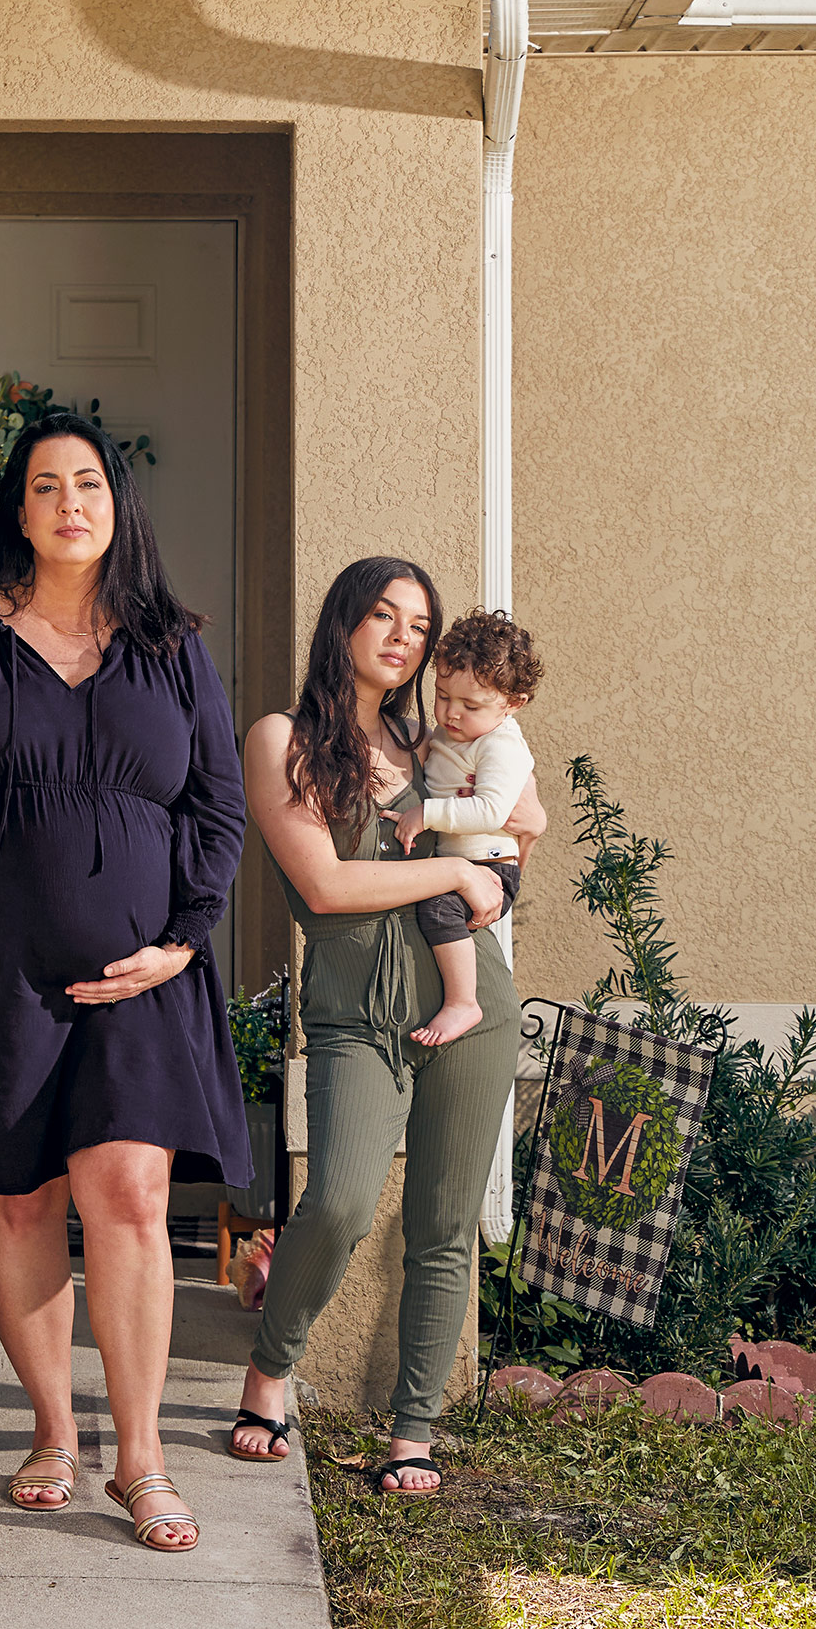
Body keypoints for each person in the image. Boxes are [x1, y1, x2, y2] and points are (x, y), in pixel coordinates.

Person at [0, 412, 251, 1553]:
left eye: (88, 484)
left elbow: (216, 806)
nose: (70, 503)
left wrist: (182, 939)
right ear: (16, 512)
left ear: (117, 505)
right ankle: (52, 1431)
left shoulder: (173, 648)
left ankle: (145, 1459)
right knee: (20, 1199)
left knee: (128, 1195)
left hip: (139, 977)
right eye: (44, 486)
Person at [227, 558, 544, 1492]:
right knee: (338, 1203)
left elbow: (528, 815)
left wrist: (494, 851)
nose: (403, 637)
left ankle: (414, 1428)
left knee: (445, 1224)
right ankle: (270, 1366)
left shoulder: (433, 736)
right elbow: (325, 886)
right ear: (342, 624)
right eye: (383, 616)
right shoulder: (281, 739)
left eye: (419, 623)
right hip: (355, 1012)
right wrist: (453, 871)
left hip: (472, 1004)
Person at [396, 608, 543, 1050]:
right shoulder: (451, 734)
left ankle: (464, 1002)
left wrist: (427, 815)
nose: (451, 713)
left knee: (438, 909)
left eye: (471, 705)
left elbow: (492, 811)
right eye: (442, 696)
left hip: (490, 865)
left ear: (512, 703)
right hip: (467, 860)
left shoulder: (501, 745)